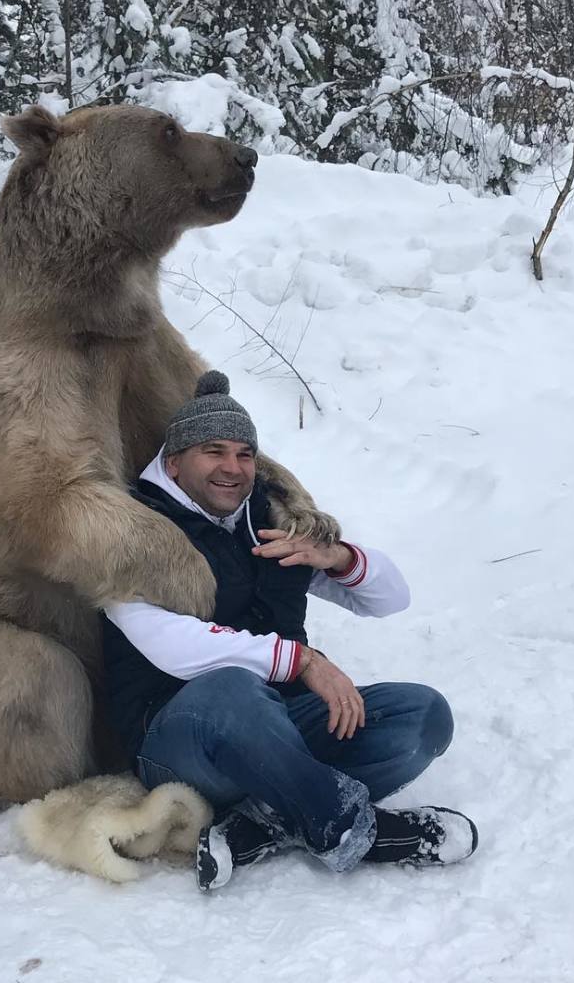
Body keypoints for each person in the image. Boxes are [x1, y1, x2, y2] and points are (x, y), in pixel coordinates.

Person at [103, 370, 477, 891]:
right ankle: (348, 828)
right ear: (174, 463)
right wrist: (302, 661)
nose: (233, 468)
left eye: (244, 454)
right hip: (180, 741)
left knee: (421, 716)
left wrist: (337, 556)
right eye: (213, 452)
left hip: (275, 731)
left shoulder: (267, 519)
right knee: (231, 689)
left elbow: (391, 598)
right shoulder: (128, 530)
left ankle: (268, 818)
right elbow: (170, 646)